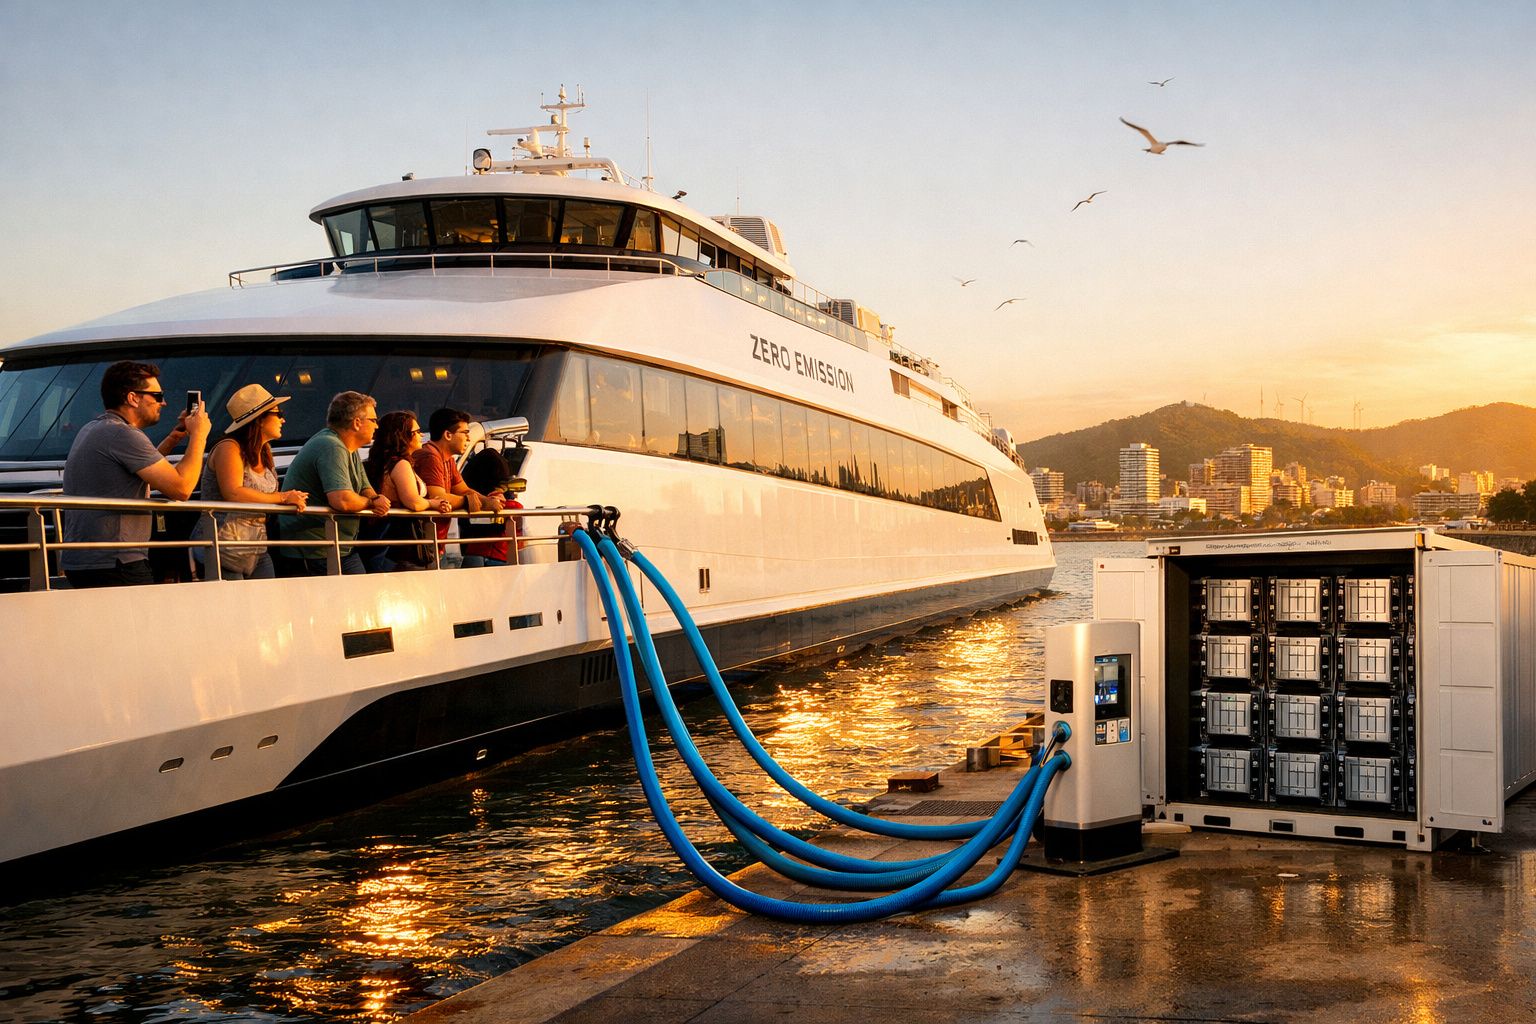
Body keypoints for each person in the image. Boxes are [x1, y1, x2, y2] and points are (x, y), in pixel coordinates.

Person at [61, 360, 212, 588]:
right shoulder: (122, 434)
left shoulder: (95, 428)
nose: (164, 402)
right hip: (116, 561)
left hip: (86, 560)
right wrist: (199, 435)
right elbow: (182, 488)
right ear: (133, 398)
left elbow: (141, 472)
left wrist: (174, 438)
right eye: (158, 396)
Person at [192, 384, 309, 580]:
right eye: (278, 413)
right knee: (235, 607)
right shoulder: (228, 448)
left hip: (255, 546)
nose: (283, 419)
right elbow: (233, 492)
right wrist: (283, 497)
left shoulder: (264, 451)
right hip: (222, 545)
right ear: (259, 419)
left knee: (268, 604)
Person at [276, 391, 389, 575]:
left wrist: (374, 498)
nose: (377, 426)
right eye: (373, 420)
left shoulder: (347, 448)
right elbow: (342, 500)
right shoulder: (331, 446)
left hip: (337, 546)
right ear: (357, 422)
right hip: (317, 549)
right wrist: (372, 503)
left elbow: (365, 488)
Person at [362, 411, 452, 571]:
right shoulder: (400, 464)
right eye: (416, 432)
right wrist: (433, 503)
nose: (421, 435)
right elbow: (413, 502)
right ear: (403, 436)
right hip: (401, 547)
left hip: (384, 542)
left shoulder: (380, 463)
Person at [412, 408, 505, 559]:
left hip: (431, 544)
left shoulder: (447, 459)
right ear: (448, 435)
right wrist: (479, 503)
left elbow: (463, 490)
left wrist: (488, 500)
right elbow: (438, 498)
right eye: (465, 433)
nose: (468, 438)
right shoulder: (430, 457)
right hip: (419, 546)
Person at [459, 447, 523, 568]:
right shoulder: (509, 505)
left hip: (472, 553)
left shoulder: (470, 501)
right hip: (498, 556)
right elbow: (518, 522)